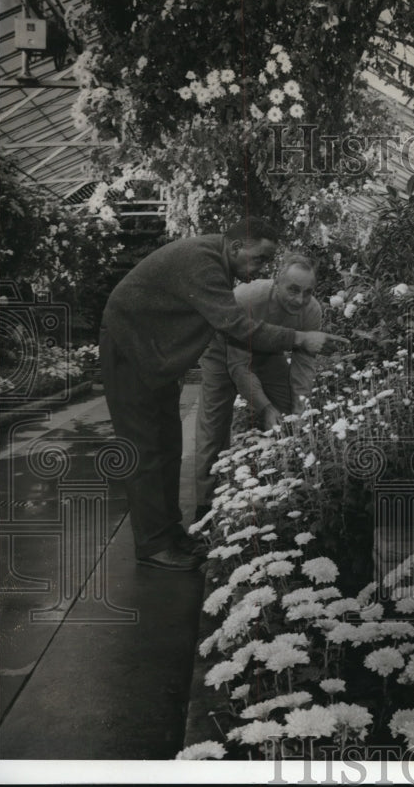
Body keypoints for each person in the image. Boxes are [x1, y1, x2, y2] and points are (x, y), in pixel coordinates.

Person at [100, 218, 334, 571]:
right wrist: (297, 339)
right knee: (147, 449)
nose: (259, 268)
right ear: (236, 248)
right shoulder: (204, 263)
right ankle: (153, 546)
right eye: (257, 259)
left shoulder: (215, 257)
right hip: (129, 348)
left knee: (166, 444)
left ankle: (170, 535)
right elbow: (237, 328)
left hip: (150, 354)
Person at [193, 253, 342, 517]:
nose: (300, 299)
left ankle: (277, 484)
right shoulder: (246, 298)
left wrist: (299, 411)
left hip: (270, 354)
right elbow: (239, 366)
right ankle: (206, 507)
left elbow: (303, 368)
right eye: (293, 290)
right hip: (223, 351)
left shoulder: (311, 311)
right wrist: (263, 407)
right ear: (276, 282)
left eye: (307, 292)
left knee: (287, 410)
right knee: (214, 425)